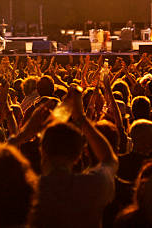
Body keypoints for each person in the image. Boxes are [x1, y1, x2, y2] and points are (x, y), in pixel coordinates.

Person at [36, 86, 117, 228]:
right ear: (79, 155)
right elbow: (109, 159)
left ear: (43, 151)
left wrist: (22, 136)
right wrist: (81, 118)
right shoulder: (91, 186)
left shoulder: (29, 190)